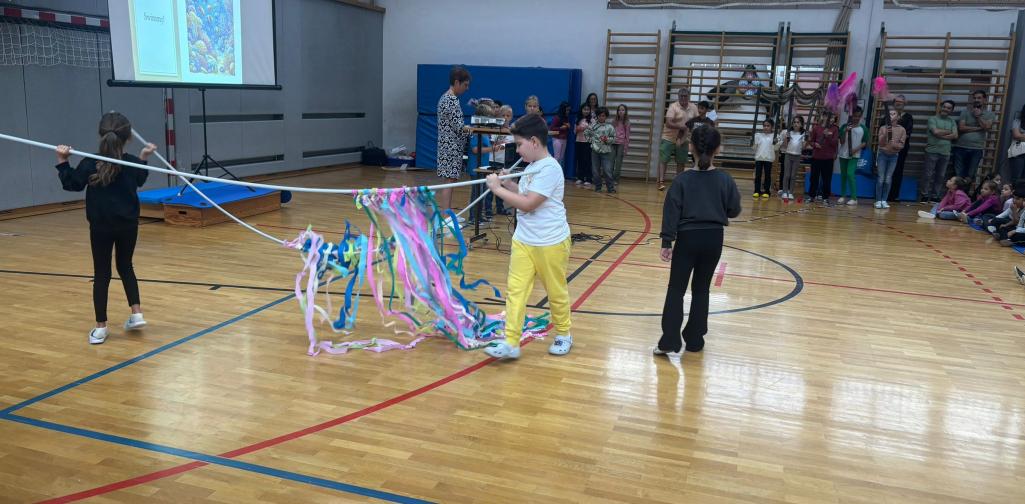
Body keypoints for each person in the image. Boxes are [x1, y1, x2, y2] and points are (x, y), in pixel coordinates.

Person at [54, 111, 156, 344]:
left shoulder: (90, 162)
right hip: (128, 225)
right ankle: (136, 313)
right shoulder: (129, 163)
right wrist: (143, 157)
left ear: (101, 135)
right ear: (128, 137)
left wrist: (62, 161)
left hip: (101, 226)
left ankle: (101, 328)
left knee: (102, 273)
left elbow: (72, 184)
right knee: (126, 266)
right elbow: (140, 178)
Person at [483, 114, 572, 360]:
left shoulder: (551, 169)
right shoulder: (532, 167)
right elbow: (524, 192)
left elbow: (529, 204)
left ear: (534, 141)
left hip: (551, 242)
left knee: (555, 291)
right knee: (516, 290)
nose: (518, 150)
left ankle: (564, 333)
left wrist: (497, 189)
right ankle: (511, 342)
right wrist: (509, 183)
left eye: (519, 144)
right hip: (524, 240)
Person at [655, 126, 741, 355]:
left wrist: (666, 242)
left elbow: (671, 212)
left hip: (688, 239)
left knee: (676, 289)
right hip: (713, 239)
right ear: (718, 149)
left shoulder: (683, 180)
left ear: (690, 146)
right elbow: (734, 210)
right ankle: (694, 339)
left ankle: (670, 341)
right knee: (701, 289)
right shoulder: (725, 179)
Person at [435, 66, 473, 220]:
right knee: (449, 180)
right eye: (465, 85)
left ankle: (447, 214)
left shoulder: (448, 98)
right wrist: (471, 129)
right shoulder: (450, 99)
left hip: (449, 145)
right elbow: (458, 127)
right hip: (450, 146)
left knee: (450, 180)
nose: (466, 89)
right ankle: (446, 217)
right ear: (457, 82)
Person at [658, 87, 698, 191]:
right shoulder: (673, 106)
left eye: (685, 96)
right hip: (669, 137)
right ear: (678, 96)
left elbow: (697, 121)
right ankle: (661, 182)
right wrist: (682, 127)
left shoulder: (693, 107)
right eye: (681, 96)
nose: (683, 98)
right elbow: (668, 122)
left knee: (681, 161)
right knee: (664, 159)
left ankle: (678, 182)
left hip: (684, 138)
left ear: (688, 96)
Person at [953, 90, 996, 184]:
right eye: (975, 98)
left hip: (976, 148)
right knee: (958, 174)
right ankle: (956, 197)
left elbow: (987, 127)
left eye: (979, 98)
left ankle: (966, 196)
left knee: (970, 175)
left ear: (984, 99)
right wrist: (978, 128)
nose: (976, 100)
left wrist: (978, 116)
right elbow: (961, 128)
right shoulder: (965, 112)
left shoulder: (990, 114)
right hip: (961, 147)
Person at [921, 100, 958, 203]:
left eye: (949, 108)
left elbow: (955, 136)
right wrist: (949, 132)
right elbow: (935, 132)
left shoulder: (952, 121)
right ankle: (924, 195)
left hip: (945, 152)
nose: (946, 109)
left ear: (951, 110)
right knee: (928, 174)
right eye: (944, 107)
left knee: (940, 176)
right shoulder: (932, 119)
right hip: (931, 151)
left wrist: (940, 134)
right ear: (941, 107)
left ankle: (935, 196)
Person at [874, 105, 908, 209]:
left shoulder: (902, 130)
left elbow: (901, 145)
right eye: (889, 114)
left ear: (898, 117)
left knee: (888, 179)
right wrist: (886, 135)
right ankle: (878, 200)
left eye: (893, 114)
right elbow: (880, 143)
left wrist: (894, 145)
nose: (891, 115)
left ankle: (884, 200)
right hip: (882, 156)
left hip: (894, 156)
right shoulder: (883, 128)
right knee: (881, 179)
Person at [837, 106, 868, 206]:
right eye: (854, 116)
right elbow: (841, 141)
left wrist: (856, 149)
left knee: (850, 174)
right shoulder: (844, 126)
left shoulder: (863, 128)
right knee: (843, 175)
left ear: (861, 116)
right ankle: (842, 196)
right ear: (851, 116)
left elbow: (865, 142)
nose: (856, 118)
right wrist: (845, 131)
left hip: (855, 155)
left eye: (858, 116)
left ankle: (854, 198)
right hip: (843, 154)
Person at [888, 95, 914, 202]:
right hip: (887, 148)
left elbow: (907, 133)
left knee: (898, 171)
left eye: (901, 101)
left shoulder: (908, 117)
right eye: (896, 101)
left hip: (901, 149)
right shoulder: (888, 114)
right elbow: (882, 128)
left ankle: (894, 195)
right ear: (893, 103)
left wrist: (896, 143)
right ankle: (883, 194)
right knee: (886, 171)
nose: (898, 103)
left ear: (904, 104)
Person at [808, 112, 839, 202]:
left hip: (828, 158)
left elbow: (835, 143)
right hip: (816, 157)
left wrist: (827, 136)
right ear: (823, 117)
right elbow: (811, 141)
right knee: (814, 178)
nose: (832, 119)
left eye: (833, 117)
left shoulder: (835, 129)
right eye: (830, 117)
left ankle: (825, 197)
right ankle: (812, 196)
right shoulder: (816, 128)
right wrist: (815, 144)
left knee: (827, 179)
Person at [588, 106, 616, 193]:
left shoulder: (610, 127)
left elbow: (614, 138)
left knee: (607, 170)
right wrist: (592, 142)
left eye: (603, 115)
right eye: (599, 116)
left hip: (606, 152)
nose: (601, 117)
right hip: (595, 152)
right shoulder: (592, 126)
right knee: (595, 171)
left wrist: (607, 140)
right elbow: (587, 134)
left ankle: (610, 188)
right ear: (597, 116)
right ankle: (598, 187)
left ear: (606, 116)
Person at [752, 119, 780, 198]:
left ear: (772, 127)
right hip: (759, 158)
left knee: (767, 175)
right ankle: (757, 190)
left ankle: (767, 191)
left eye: (768, 126)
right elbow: (754, 147)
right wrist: (752, 141)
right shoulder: (758, 135)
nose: (766, 127)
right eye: (764, 126)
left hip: (768, 158)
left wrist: (776, 142)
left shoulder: (775, 136)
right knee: (758, 175)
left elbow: (776, 148)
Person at [779, 116, 806, 201]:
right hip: (788, 155)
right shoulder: (789, 132)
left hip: (797, 156)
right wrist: (786, 138)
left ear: (801, 124)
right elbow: (785, 146)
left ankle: (791, 192)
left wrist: (807, 139)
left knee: (793, 175)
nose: (796, 124)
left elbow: (804, 147)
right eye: (794, 122)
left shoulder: (803, 133)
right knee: (786, 175)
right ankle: (784, 191)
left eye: (798, 122)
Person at [611, 104, 631, 184]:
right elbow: (610, 132)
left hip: (621, 144)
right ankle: (610, 178)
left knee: (618, 163)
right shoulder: (614, 121)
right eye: (619, 110)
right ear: (617, 112)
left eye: (623, 110)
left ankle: (616, 179)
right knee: (611, 161)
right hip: (613, 143)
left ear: (625, 111)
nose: (621, 112)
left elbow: (627, 136)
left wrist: (626, 148)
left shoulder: (627, 122)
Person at [1008, 102, 1025, 182]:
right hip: (1018, 153)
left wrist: (1022, 135)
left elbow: (1020, 136)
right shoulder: (1017, 121)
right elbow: (1016, 135)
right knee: (1015, 178)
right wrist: (1020, 136)